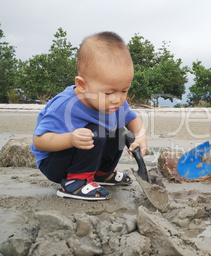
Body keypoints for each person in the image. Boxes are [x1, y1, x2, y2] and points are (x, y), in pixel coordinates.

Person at [31, 31, 147, 201]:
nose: (118, 99)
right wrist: (71, 139)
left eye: (124, 90)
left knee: (121, 132)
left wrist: (140, 136)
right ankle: (76, 182)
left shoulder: (115, 103)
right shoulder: (64, 106)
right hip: (55, 162)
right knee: (96, 131)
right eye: (108, 93)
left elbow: (132, 120)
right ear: (82, 85)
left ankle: (101, 173)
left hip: (88, 154)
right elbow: (39, 141)